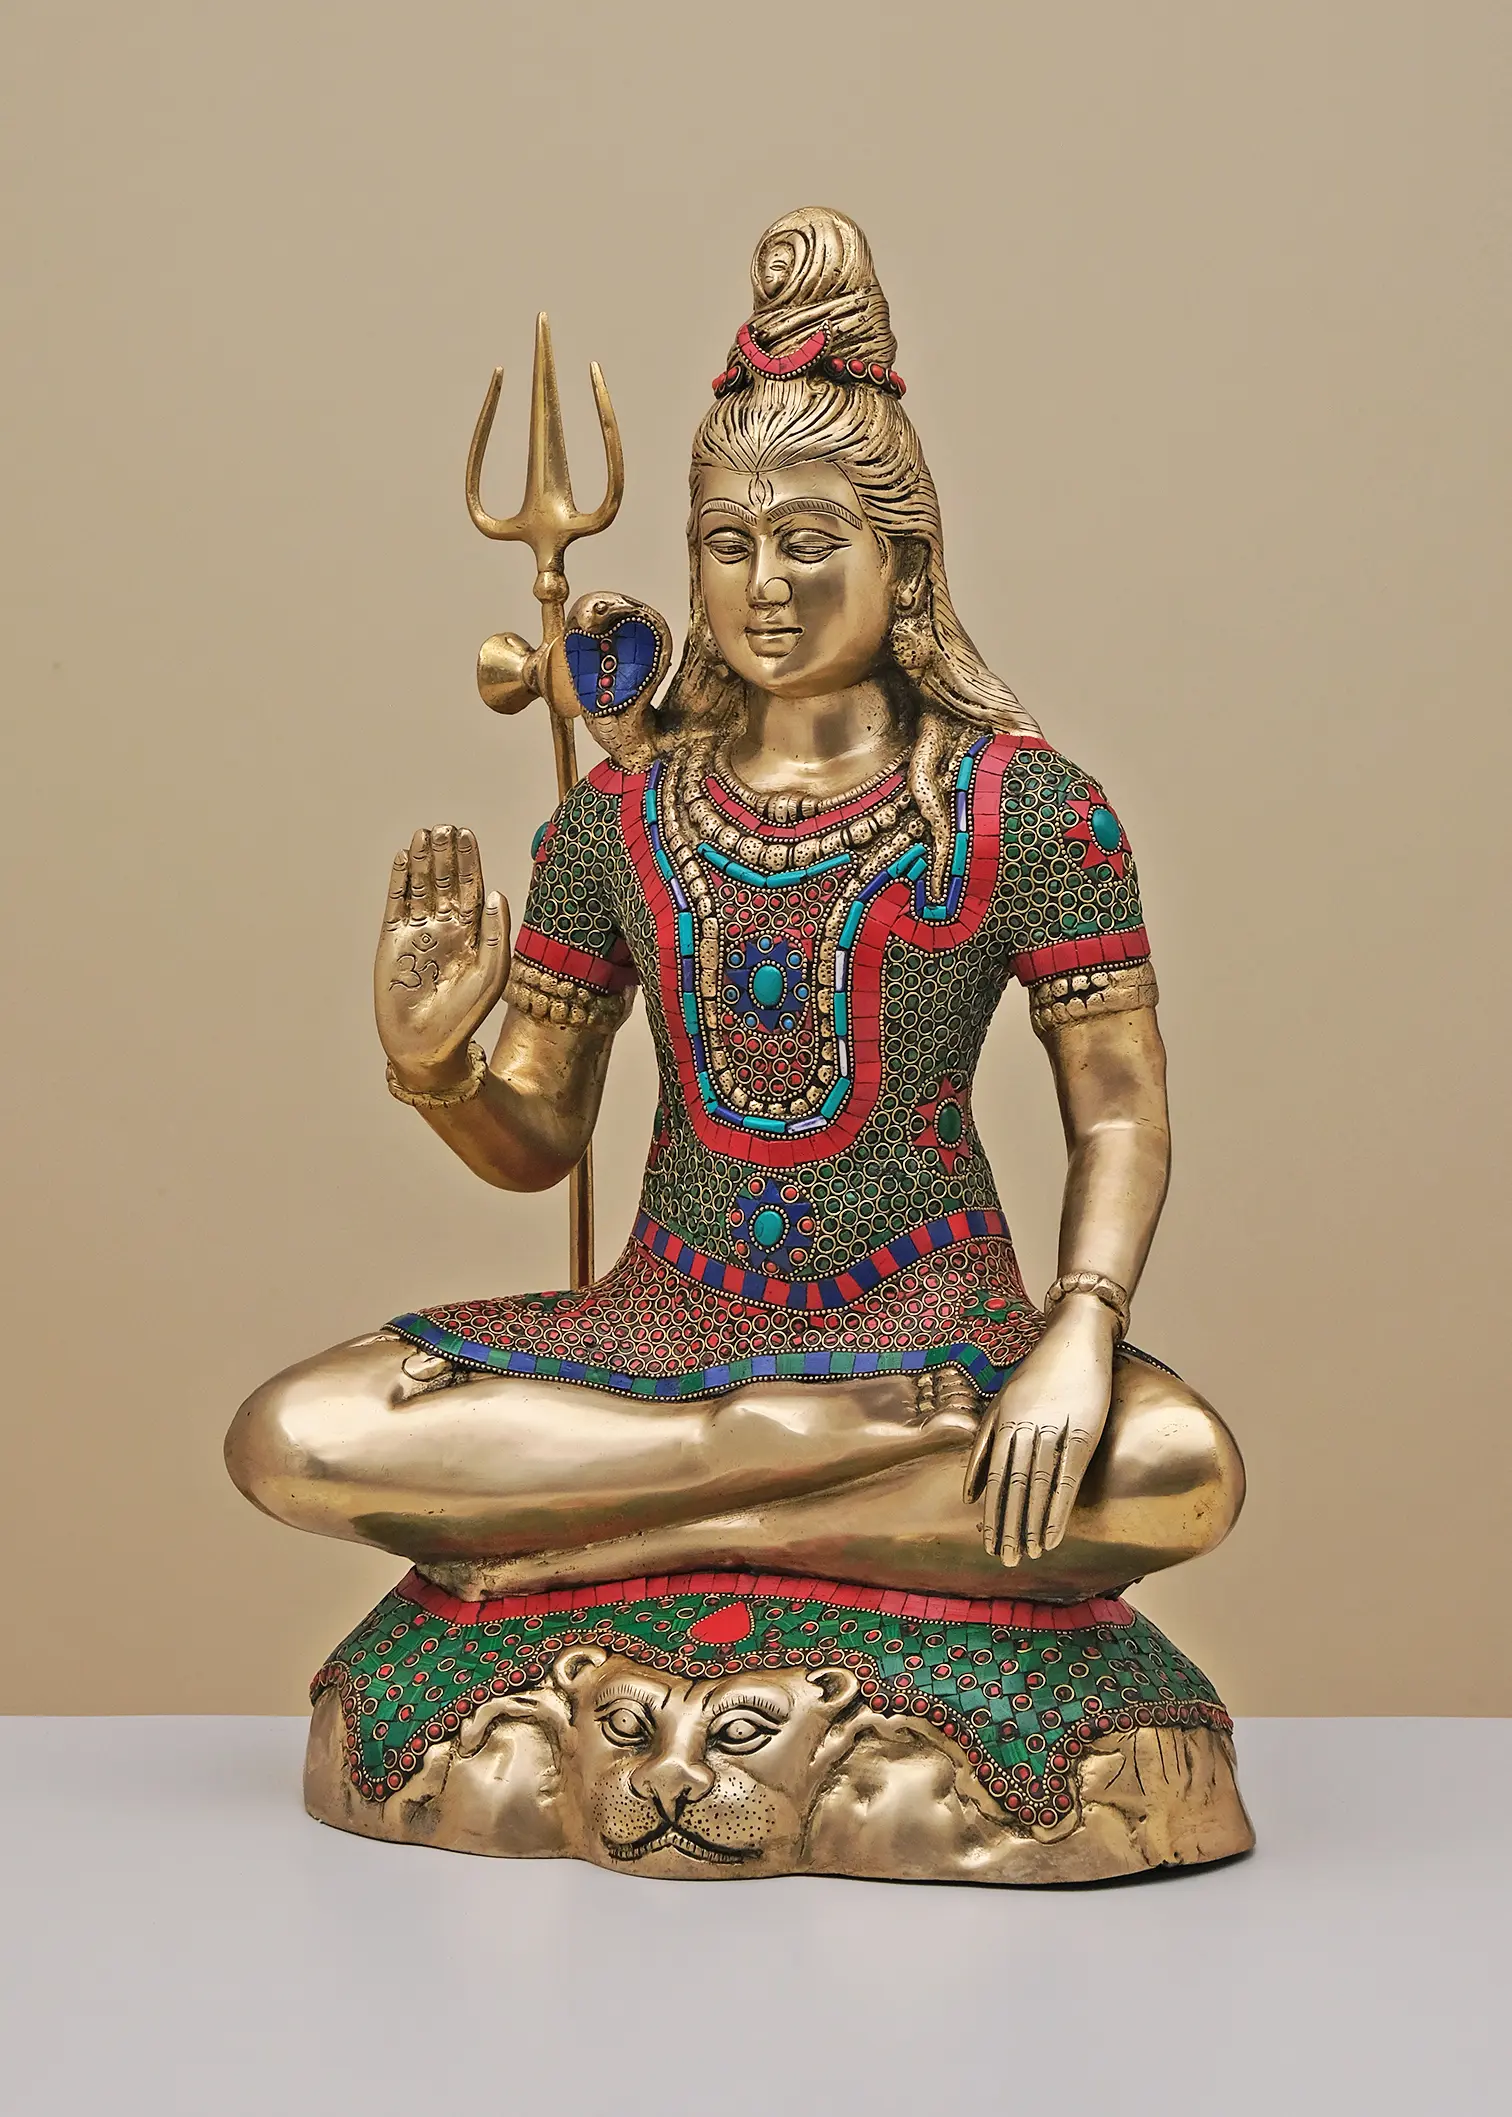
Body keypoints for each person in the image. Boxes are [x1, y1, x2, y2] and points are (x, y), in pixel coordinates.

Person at [226, 206, 1243, 1605]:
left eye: (811, 542)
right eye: (729, 543)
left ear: (903, 563)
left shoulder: (1022, 808)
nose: (766, 587)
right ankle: (776, 1477)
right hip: (665, 1341)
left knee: (1179, 1463)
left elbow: (1119, 1111)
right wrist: (434, 1065)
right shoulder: (623, 815)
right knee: (294, 1433)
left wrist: (1081, 1327)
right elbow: (538, 1143)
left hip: (933, 1344)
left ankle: (660, 1535)